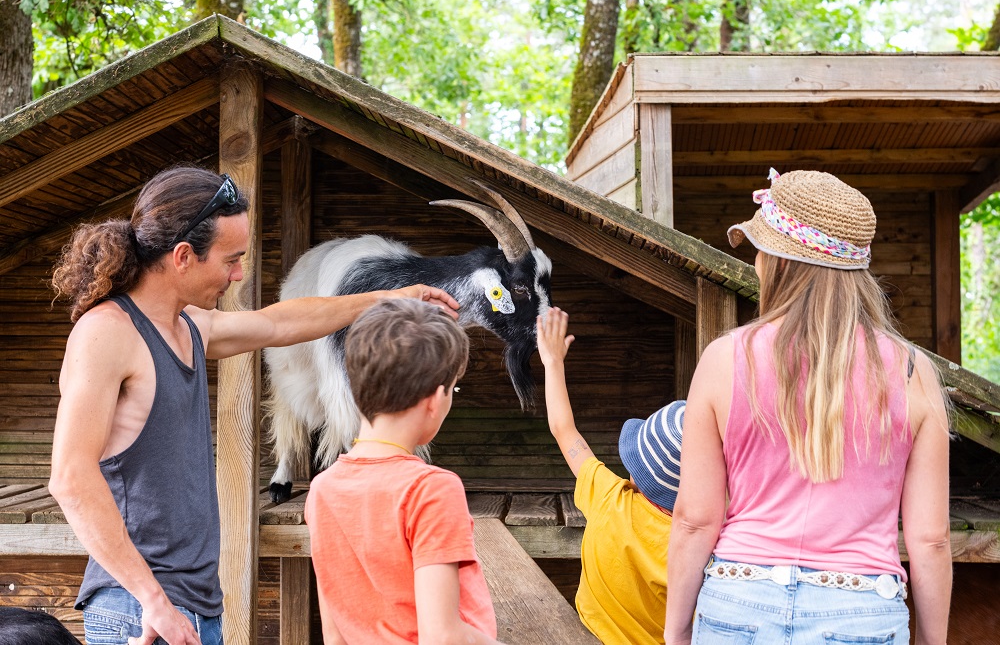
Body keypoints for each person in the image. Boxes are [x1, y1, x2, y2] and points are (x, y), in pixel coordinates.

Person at [48, 166, 459, 645]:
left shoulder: (190, 327)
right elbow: (70, 477)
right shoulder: (107, 333)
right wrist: (152, 600)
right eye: (231, 259)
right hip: (138, 613)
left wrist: (392, 297)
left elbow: (279, 323)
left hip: (196, 606)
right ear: (183, 256)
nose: (239, 273)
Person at [663, 169, 952, 645]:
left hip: (739, 601)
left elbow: (695, 518)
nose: (755, 262)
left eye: (760, 249)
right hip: (862, 610)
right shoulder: (913, 371)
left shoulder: (723, 359)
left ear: (779, 262)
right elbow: (931, 540)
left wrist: (676, 633)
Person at [304, 297, 500, 644]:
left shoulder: (322, 489)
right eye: (453, 388)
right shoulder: (431, 489)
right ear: (435, 400)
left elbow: (333, 635)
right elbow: (441, 637)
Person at [536, 306, 684, 645]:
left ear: (635, 471)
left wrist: (552, 362)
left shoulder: (608, 496)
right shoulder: (699, 548)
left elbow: (564, 431)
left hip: (588, 632)